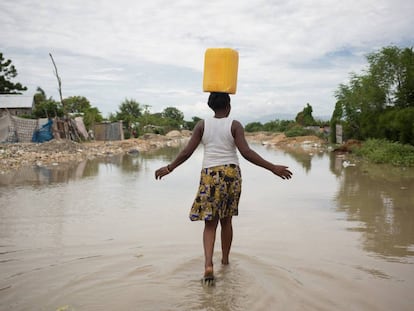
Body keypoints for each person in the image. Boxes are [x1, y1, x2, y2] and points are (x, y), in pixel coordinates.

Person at [155, 92, 292, 285]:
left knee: (210, 223)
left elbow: (187, 152)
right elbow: (247, 153)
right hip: (231, 174)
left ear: (211, 106)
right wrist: (273, 168)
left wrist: (169, 167)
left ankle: (208, 265)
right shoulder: (235, 125)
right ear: (229, 105)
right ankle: (225, 262)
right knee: (226, 221)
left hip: (210, 175)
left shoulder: (202, 125)